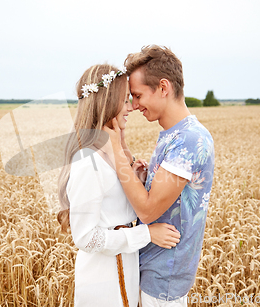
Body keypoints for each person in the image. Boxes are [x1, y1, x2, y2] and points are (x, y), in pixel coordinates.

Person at [57, 64, 181, 307]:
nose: (131, 107)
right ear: (107, 103)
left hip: (123, 267)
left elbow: (119, 208)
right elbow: (86, 238)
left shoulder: (111, 155)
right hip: (102, 281)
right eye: (125, 100)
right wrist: (146, 234)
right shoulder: (88, 161)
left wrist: (139, 176)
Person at [103, 45, 215, 306]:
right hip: (153, 267)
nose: (133, 105)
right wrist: (140, 172)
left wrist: (117, 151)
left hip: (164, 274)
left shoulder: (188, 139)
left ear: (163, 88)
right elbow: (161, 199)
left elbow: (148, 210)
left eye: (138, 95)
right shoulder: (174, 133)